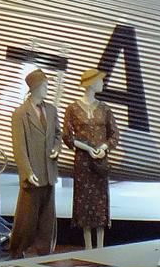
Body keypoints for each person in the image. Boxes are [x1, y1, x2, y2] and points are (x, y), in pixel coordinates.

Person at [65, 68, 121, 249]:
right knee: (84, 201)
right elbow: (67, 136)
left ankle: (101, 245)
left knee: (100, 201)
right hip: (83, 163)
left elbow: (114, 134)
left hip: (100, 163)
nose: (102, 84)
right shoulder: (73, 109)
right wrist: (88, 149)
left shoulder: (104, 109)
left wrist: (104, 148)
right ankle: (88, 246)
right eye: (100, 81)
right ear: (90, 84)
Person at [7, 69, 59, 257]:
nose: (47, 89)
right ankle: (18, 249)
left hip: (48, 171)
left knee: (47, 218)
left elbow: (57, 135)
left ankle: (44, 250)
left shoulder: (51, 110)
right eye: (44, 85)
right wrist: (27, 171)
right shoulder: (21, 114)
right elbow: (19, 146)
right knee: (26, 217)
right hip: (33, 173)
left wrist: (56, 148)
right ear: (35, 88)